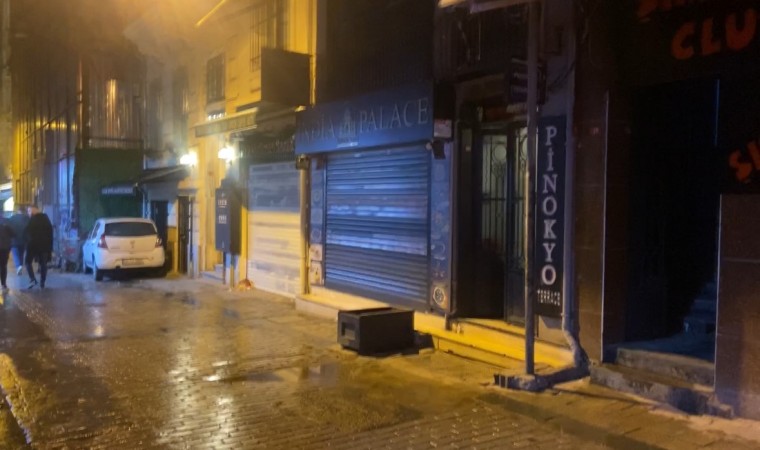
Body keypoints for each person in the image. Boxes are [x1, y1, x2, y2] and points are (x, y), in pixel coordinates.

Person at [23, 206, 53, 289]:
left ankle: (32, 279)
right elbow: (50, 232)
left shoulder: (32, 220)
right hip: (45, 245)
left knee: (27, 262)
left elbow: (26, 232)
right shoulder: (46, 219)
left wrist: (27, 241)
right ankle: (42, 282)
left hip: (33, 245)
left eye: (29, 211)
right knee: (43, 263)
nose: (28, 213)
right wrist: (50, 246)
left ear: (34, 210)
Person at [8, 206, 29, 276]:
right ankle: (20, 265)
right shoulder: (27, 218)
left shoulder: (12, 218)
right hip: (23, 240)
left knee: (15, 254)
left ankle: (18, 266)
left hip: (14, 239)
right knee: (21, 254)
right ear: (24, 211)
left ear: (17, 211)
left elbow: (8, 228)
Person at [0, 217, 14, 290]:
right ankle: (3, 284)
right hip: (5, 248)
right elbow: (13, 234)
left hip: (4, 247)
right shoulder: (7, 225)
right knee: (3, 266)